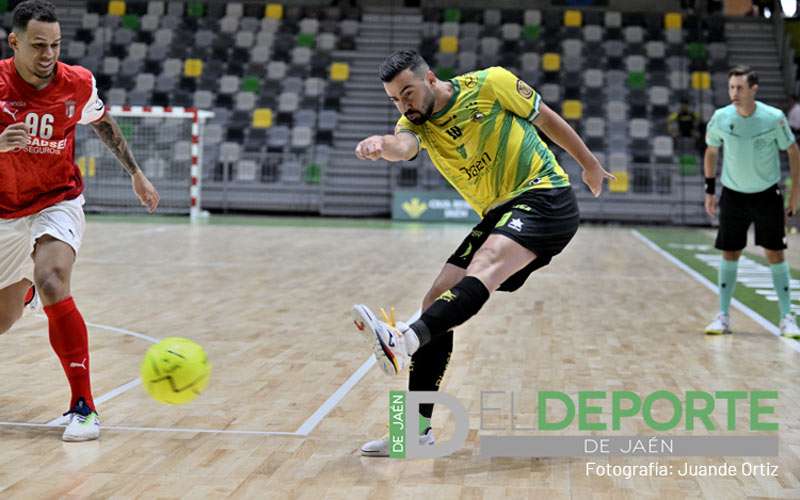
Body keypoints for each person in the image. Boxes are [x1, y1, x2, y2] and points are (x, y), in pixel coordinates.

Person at [351, 50, 613, 456]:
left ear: (431, 79)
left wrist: (590, 164)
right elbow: (401, 146)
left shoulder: (490, 84)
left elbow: (546, 119)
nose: (404, 105)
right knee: (435, 299)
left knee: (486, 265)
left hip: (545, 196)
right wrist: (379, 144)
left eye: (408, 93)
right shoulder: (413, 125)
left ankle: (406, 338)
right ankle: (414, 432)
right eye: (395, 100)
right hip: (499, 212)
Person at [0, 0, 160, 441]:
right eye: (38, 45)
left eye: (55, 44)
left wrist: (136, 173)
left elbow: (102, 121)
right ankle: (25, 288)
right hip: (5, 212)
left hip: (57, 200)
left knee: (54, 280)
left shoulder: (76, 84)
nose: (48, 54)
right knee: (2, 320)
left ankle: (84, 407)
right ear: (14, 42)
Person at [703, 66, 800, 338]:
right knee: (729, 252)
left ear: (753, 89)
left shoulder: (774, 118)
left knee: (775, 254)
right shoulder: (721, 117)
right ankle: (723, 316)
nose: (734, 93)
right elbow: (711, 151)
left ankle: (786, 317)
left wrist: (795, 194)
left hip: (767, 194)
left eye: (740, 88)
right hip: (733, 195)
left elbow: (793, 151)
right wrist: (710, 189)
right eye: (731, 87)